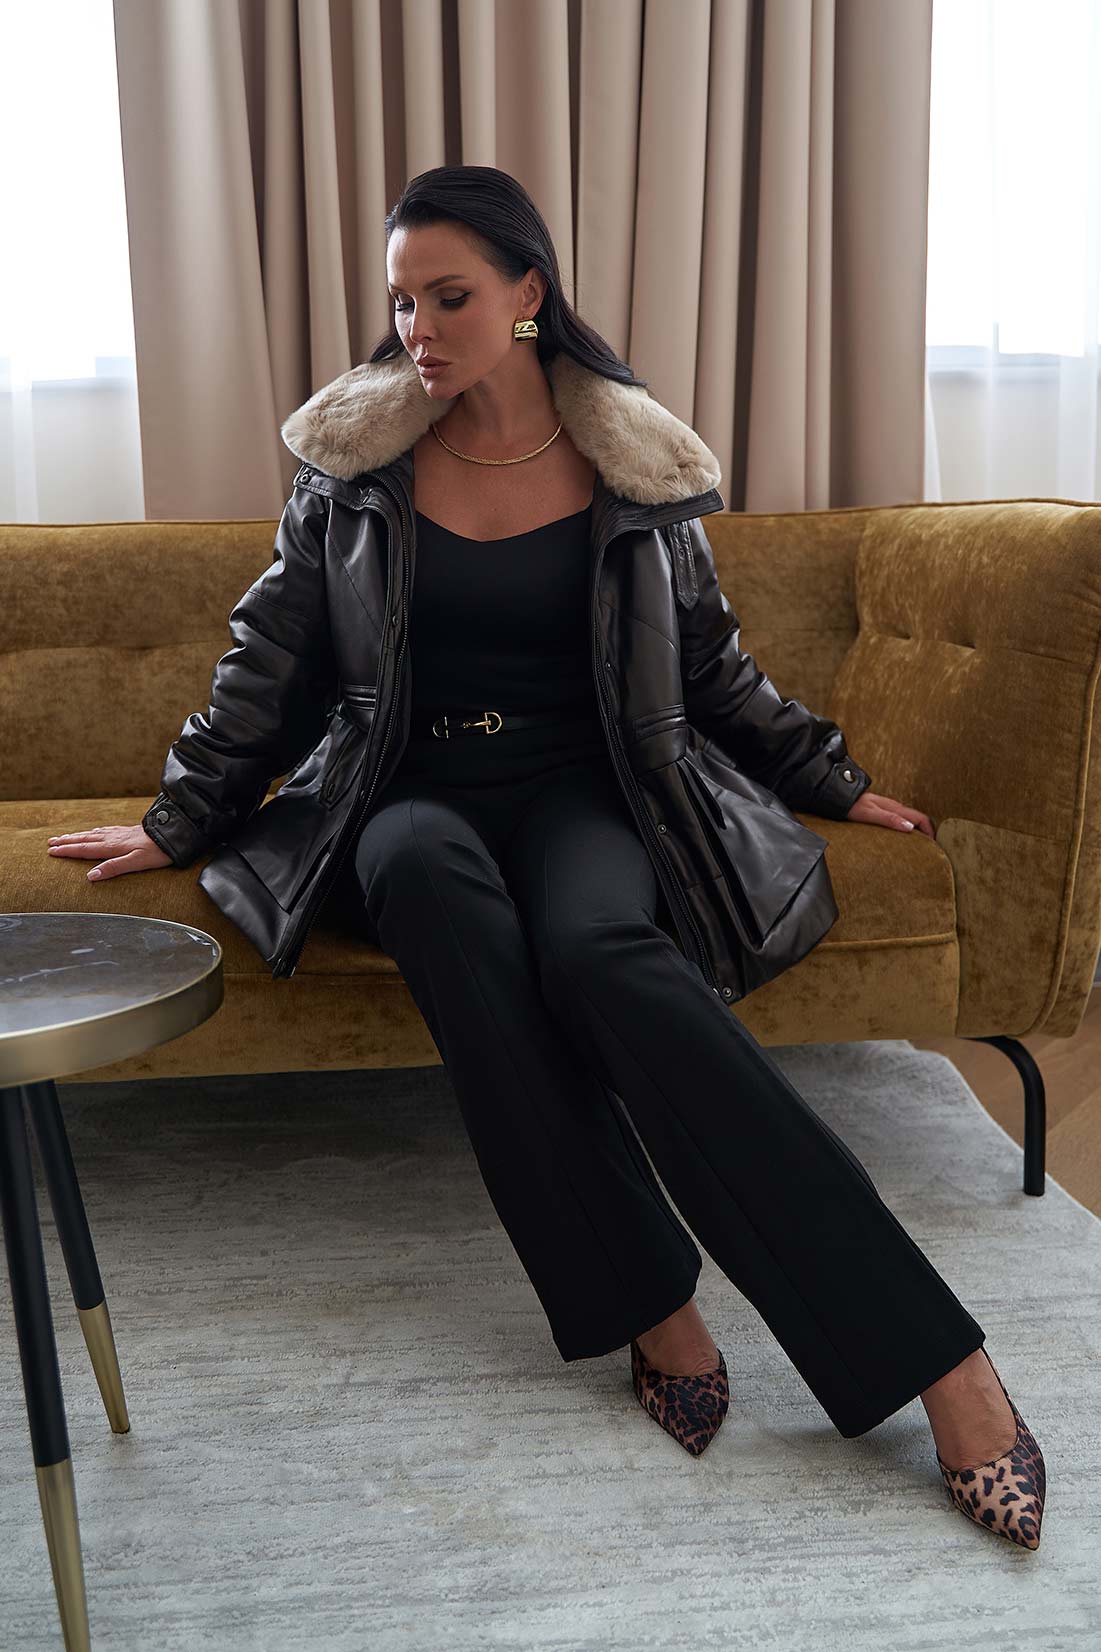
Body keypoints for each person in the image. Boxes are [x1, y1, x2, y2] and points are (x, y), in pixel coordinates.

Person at [46, 165, 1045, 1548]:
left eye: (450, 296)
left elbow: (710, 667)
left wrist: (831, 780)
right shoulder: (350, 469)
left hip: (586, 792)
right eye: (402, 300)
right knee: (432, 889)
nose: (418, 327)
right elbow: (267, 664)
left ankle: (939, 1361)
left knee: (601, 953)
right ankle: (653, 1302)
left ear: (528, 293)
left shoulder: (634, 463)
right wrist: (177, 817)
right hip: (405, 792)